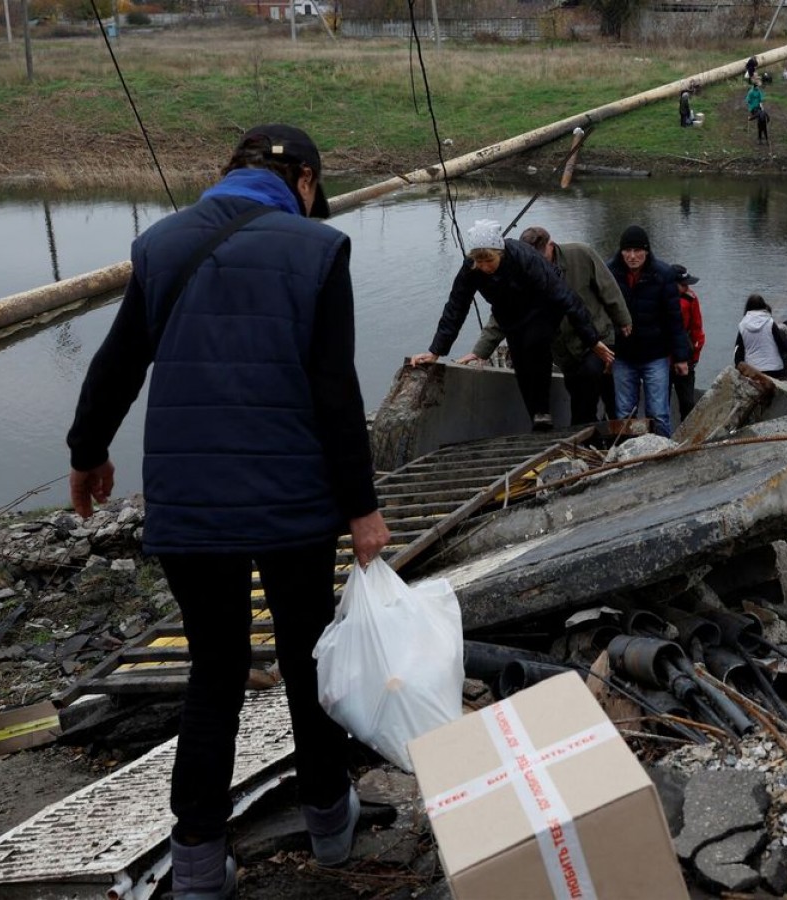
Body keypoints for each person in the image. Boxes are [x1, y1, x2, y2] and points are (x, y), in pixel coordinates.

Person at [65, 124, 390, 900]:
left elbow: (117, 363)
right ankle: (330, 827)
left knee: (214, 671)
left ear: (229, 170)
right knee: (309, 656)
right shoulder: (319, 250)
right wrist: (363, 510)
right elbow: (335, 391)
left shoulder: (161, 244)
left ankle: (200, 868)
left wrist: (87, 452)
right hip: (292, 503)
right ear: (304, 181)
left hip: (190, 506)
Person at [412, 220, 608, 432]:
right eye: (480, 262)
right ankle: (538, 419)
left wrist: (592, 340)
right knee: (521, 363)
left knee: (535, 345)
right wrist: (436, 351)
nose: (485, 267)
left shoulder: (524, 257)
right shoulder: (471, 269)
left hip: (543, 309)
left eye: (489, 260)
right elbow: (455, 307)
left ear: (500, 253)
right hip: (510, 317)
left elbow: (566, 297)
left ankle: (542, 409)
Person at [462, 227, 632, 427]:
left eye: (541, 258)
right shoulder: (524, 269)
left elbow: (608, 288)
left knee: (593, 386)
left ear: (551, 246)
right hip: (563, 351)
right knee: (578, 394)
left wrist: (623, 320)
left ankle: (608, 431)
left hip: (596, 338)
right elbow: (503, 316)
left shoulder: (581, 253)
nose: (538, 263)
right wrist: (480, 351)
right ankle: (592, 437)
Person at [606, 225, 690, 437]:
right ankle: (627, 451)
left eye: (637, 251)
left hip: (655, 355)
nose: (632, 256)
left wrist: (681, 357)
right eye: (627, 251)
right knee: (624, 413)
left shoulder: (663, 274)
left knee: (659, 413)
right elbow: (601, 314)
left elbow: (674, 319)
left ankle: (662, 450)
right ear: (621, 252)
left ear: (646, 251)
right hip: (623, 355)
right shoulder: (609, 273)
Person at [734, 294, 787, 381]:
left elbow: (738, 350)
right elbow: (783, 343)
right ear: (763, 306)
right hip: (775, 369)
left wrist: (738, 366)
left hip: (753, 371)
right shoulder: (770, 322)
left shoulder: (742, 325)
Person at [671, 264, 705, 421]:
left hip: (686, 358)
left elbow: (697, 328)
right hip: (663, 360)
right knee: (659, 403)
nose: (687, 288)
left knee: (687, 403)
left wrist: (694, 355)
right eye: (683, 285)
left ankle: (686, 430)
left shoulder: (691, 299)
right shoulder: (658, 298)